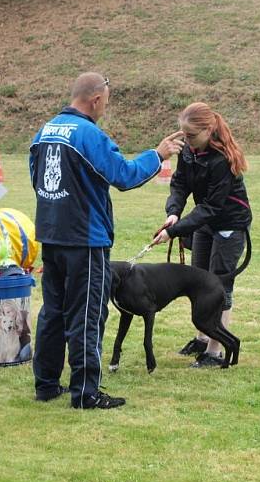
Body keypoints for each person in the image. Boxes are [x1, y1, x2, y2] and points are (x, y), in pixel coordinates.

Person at [30, 72, 184, 409]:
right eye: (106, 103)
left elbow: (35, 178)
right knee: (87, 314)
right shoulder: (89, 134)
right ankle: (85, 393)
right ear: (96, 99)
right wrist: (157, 155)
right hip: (85, 239)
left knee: (53, 311)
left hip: (51, 234)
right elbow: (124, 175)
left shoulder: (45, 131)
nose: (105, 110)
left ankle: (45, 383)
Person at [152, 102, 252, 368]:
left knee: (218, 285)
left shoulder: (222, 160)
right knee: (199, 281)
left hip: (229, 223)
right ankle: (201, 338)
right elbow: (180, 184)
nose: (187, 141)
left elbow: (211, 207)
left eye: (192, 136)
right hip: (206, 223)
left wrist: (174, 231)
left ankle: (216, 350)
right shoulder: (190, 152)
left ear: (209, 130)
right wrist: (173, 212)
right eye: (184, 136)